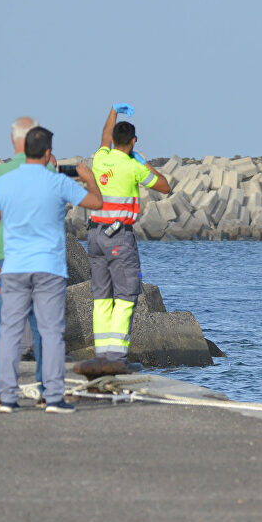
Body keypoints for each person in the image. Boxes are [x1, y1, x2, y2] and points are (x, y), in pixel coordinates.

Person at [0, 126, 105, 414]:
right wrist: (89, 180)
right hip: (49, 268)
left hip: (13, 265)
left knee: (11, 330)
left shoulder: (6, 181)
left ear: (24, 149)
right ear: (49, 152)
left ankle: (7, 395)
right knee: (51, 332)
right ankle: (52, 396)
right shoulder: (57, 182)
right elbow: (97, 202)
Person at [75, 105, 171, 376]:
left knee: (102, 296)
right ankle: (117, 357)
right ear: (134, 142)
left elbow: (104, 137)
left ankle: (102, 355)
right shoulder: (133, 167)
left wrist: (113, 112)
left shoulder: (101, 158)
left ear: (113, 142)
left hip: (94, 235)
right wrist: (143, 162)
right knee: (126, 295)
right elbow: (165, 186)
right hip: (119, 237)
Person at [0, 117, 52, 408]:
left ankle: (1, 388)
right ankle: (47, 388)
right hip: (42, 257)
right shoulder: (48, 169)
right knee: (44, 327)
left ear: (15, 140)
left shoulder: (3, 172)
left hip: (7, 257)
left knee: (4, 326)